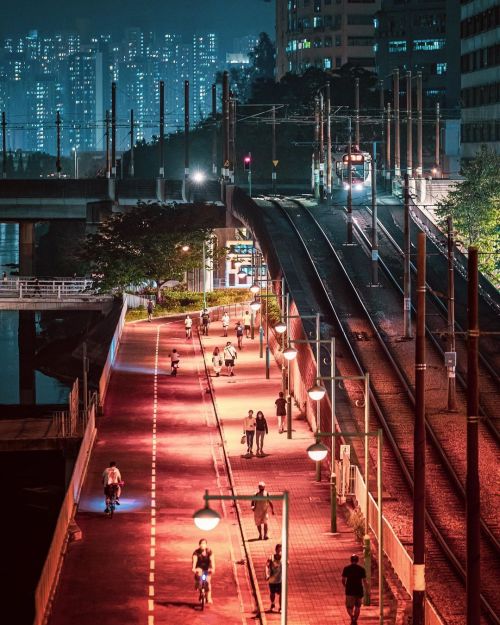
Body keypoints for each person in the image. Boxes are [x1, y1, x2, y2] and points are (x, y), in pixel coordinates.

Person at [342, 554, 368, 625]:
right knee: (357, 606)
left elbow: (343, 579)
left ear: (351, 560)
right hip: (359, 590)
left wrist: (345, 586)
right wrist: (366, 589)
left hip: (349, 590)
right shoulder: (361, 569)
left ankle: (352, 616)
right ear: (357, 560)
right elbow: (364, 581)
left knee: (349, 607)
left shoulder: (346, 568)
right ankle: (355, 619)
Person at [192, 538, 215, 604]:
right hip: (199, 568)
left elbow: (212, 560)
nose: (203, 545)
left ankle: (209, 597)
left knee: (207, 582)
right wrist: (193, 568)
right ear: (199, 545)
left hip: (207, 568)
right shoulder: (196, 552)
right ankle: (200, 592)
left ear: (206, 545)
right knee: (200, 580)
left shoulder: (209, 551)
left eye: (204, 544)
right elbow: (194, 560)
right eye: (201, 544)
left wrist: (213, 568)